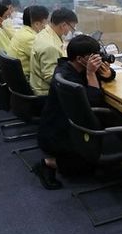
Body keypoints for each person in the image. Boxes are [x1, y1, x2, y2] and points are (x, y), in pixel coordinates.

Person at [33, 35, 116, 189]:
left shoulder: (70, 66)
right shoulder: (68, 77)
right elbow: (93, 101)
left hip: (67, 125)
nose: (98, 59)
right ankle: (48, 163)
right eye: (93, 56)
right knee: (90, 164)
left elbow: (106, 75)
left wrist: (108, 73)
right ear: (79, 58)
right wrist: (91, 73)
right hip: (58, 135)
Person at [30, 8, 78, 96]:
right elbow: (52, 78)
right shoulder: (50, 46)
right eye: (72, 27)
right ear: (63, 25)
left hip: (39, 85)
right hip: (46, 93)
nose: (71, 31)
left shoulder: (45, 33)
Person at [7, 5, 49, 79]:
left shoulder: (23, 31)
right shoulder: (30, 38)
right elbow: (45, 59)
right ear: (37, 24)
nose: (46, 26)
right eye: (45, 22)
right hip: (25, 79)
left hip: (14, 77)